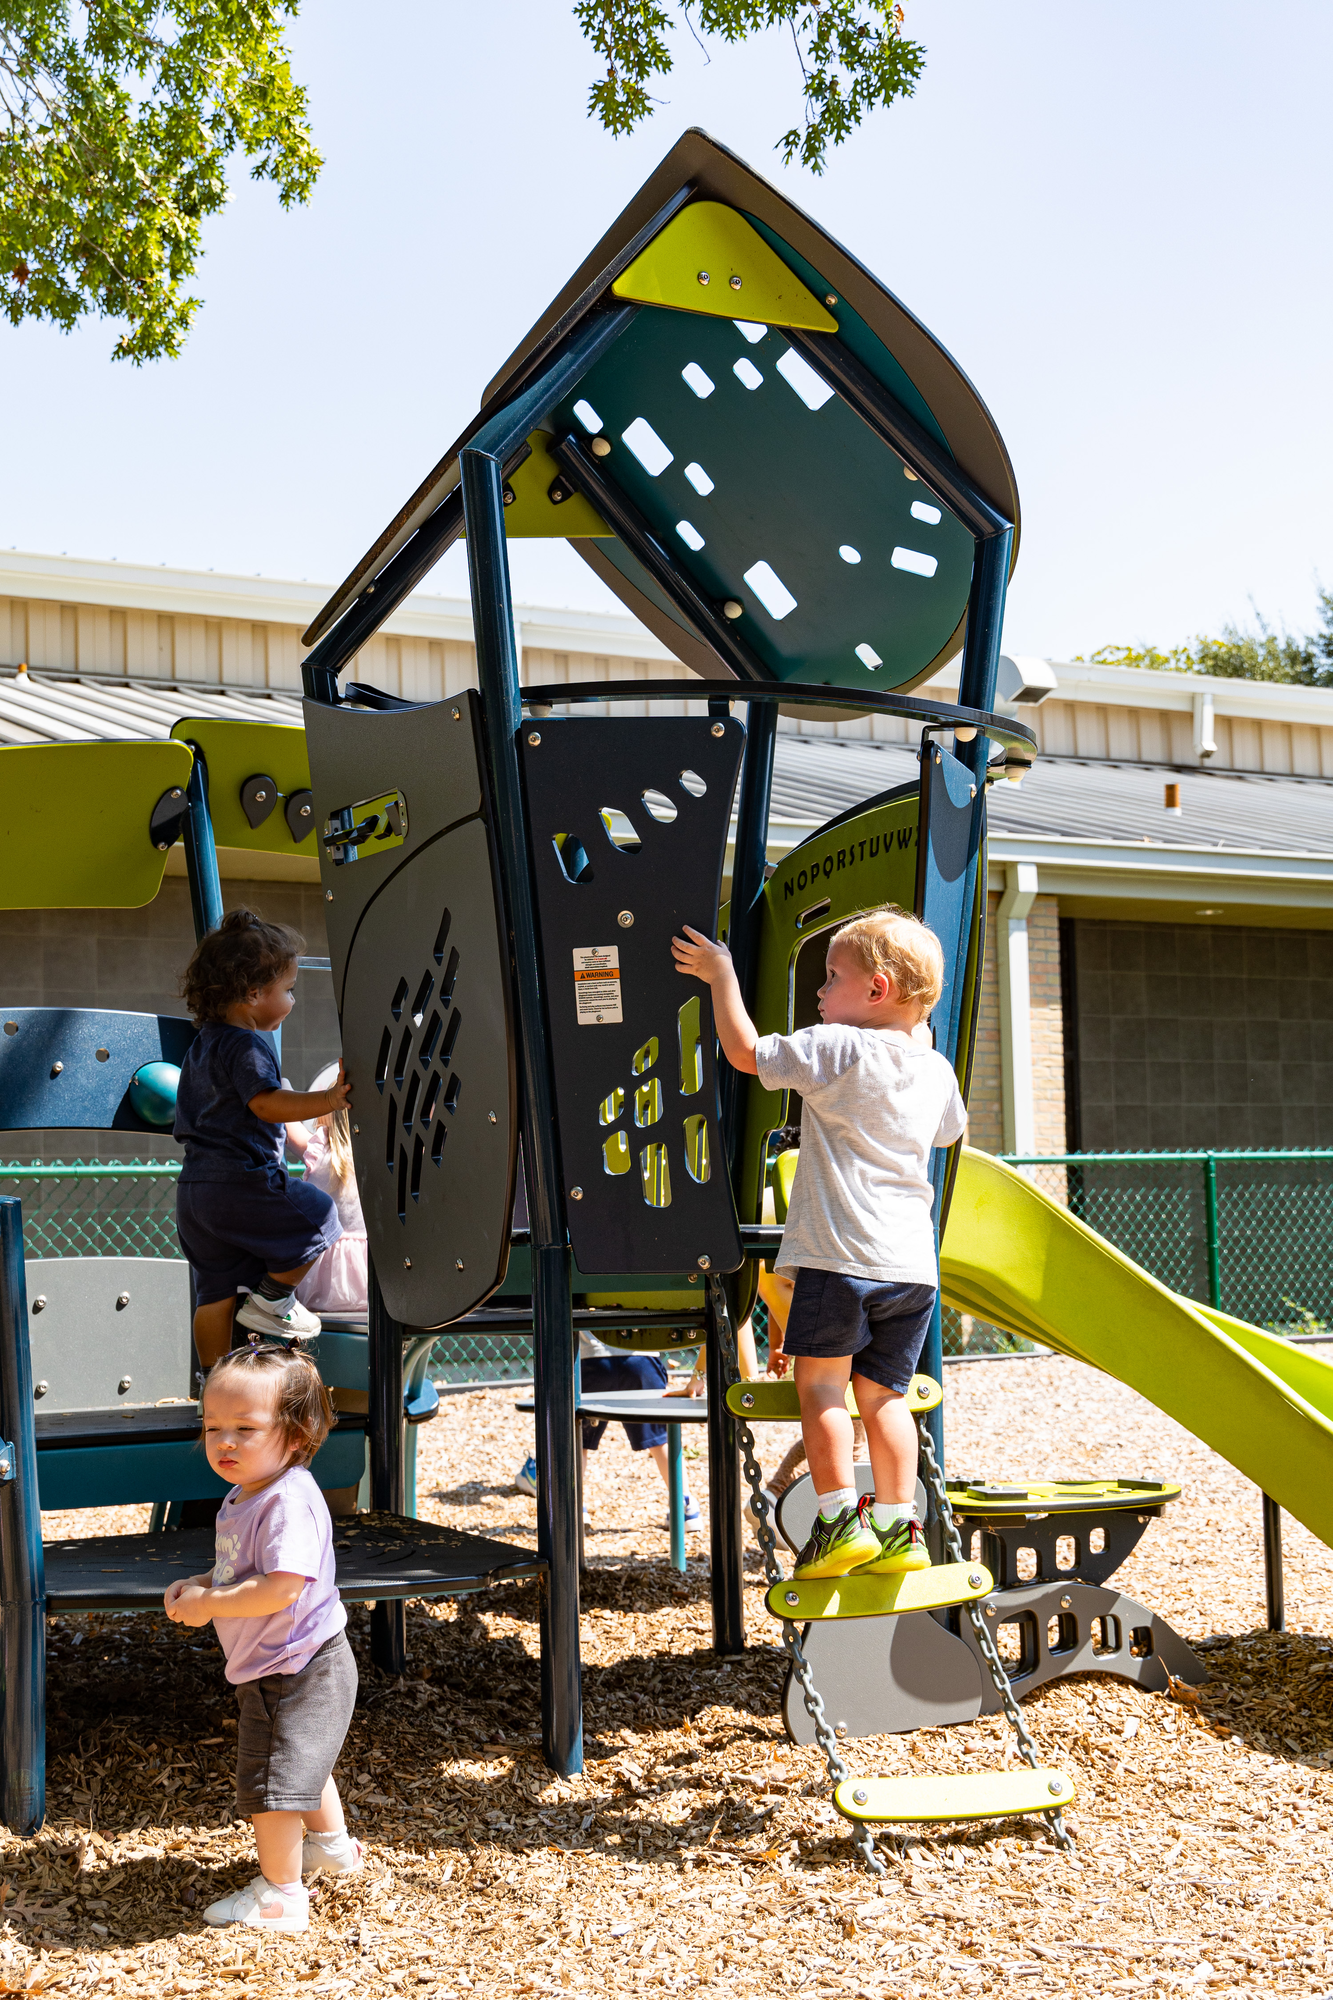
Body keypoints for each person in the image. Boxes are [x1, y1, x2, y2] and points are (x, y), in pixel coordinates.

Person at [672, 903, 966, 1582]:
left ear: (876, 990)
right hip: (912, 1270)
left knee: (822, 1390)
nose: (818, 990)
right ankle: (900, 1527)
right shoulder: (934, 1070)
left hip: (841, 1258)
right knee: (885, 1398)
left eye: (830, 976)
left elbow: (746, 1054)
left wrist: (720, 976)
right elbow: (949, 1131)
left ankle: (836, 1520)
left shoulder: (837, 1047)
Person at [164, 1342, 363, 1932]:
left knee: (272, 1782)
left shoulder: (285, 1501)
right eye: (213, 1427)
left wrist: (210, 1605)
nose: (225, 1442)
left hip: (293, 1668)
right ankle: (330, 1847)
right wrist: (204, 1582)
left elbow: (281, 1588)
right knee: (301, 1759)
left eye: (245, 1428)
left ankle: (281, 1895)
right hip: (297, 1661)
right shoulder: (250, 1491)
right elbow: (241, 1571)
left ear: (298, 1434)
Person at [174, 910, 352, 1369]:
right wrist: (329, 1099)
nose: (292, 1000)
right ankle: (274, 1299)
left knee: (213, 1288)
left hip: (196, 1191)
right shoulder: (246, 1045)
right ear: (254, 994)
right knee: (319, 1215)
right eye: (288, 990)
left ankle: (215, 1385)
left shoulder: (203, 1045)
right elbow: (267, 1105)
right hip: (242, 1182)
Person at [515, 1331, 702, 1531]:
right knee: (661, 1439)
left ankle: (572, 1507)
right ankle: (685, 1505)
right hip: (642, 1360)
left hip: (589, 1360)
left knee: (577, 1439)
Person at [286, 1064, 369, 1316]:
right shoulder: (378, 1159)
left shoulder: (318, 1150)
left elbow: (289, 1125)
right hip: (367, 1278)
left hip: (319, 1278)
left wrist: (282, 1084)